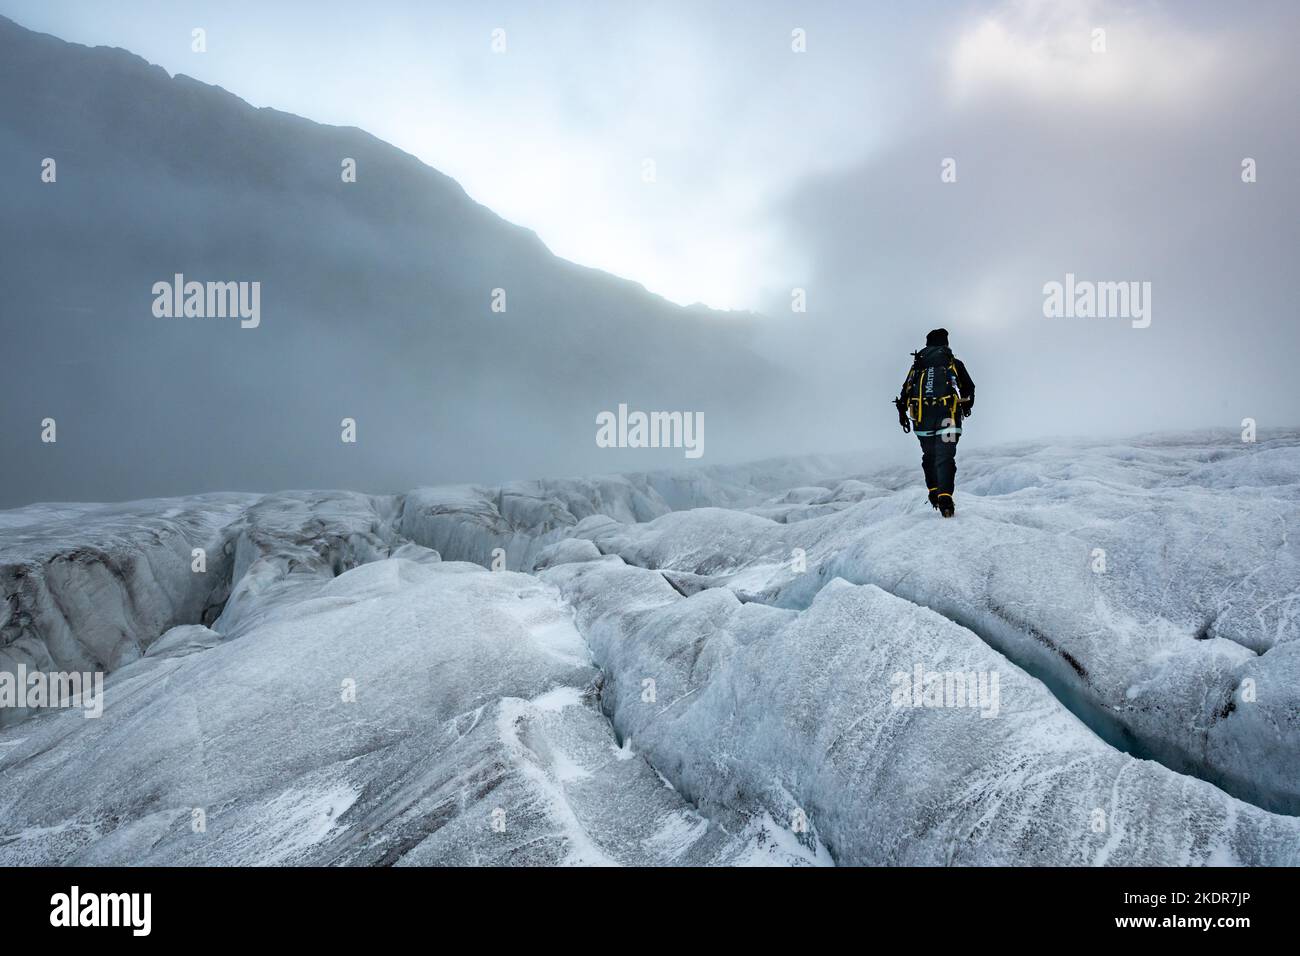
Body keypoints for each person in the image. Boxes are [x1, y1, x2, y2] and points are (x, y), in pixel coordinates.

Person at [893, 328, 975, 517]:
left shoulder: (917, 366)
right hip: (947, 416)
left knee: (929, 456)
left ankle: (933, 491)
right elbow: (969, 388)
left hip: (922, 419)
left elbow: (905, 391)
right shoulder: (953, 363)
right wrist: (966, 406)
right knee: (945, 457)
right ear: (945, 343)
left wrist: (903, 414)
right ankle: (945, 499)